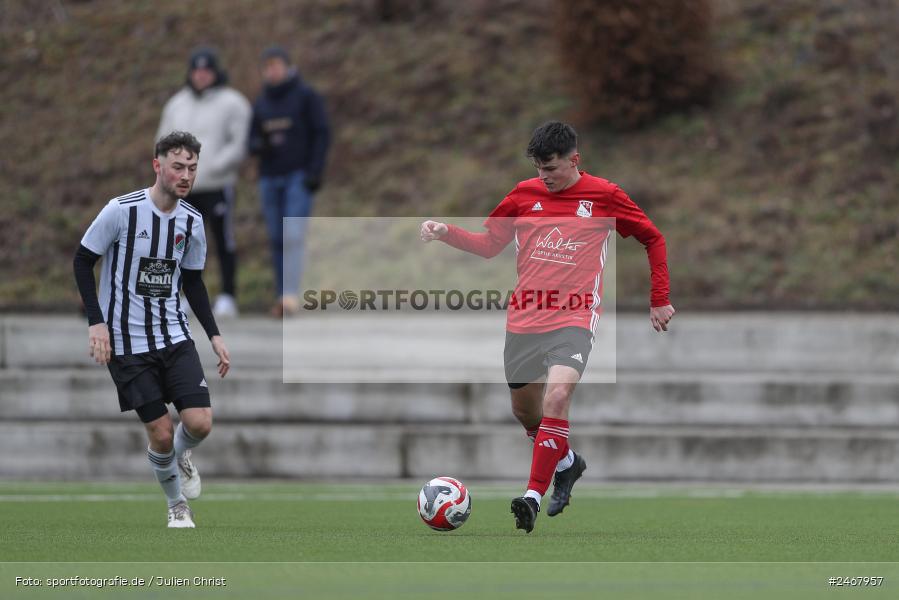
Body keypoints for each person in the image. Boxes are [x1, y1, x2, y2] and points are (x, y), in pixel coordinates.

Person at [420, 121, 675, 533]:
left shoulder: (605, 196)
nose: (544, 176)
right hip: (523, 320)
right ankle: (569, 463)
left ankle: (531, 496)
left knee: (557, 398)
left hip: (574, 318)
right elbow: (488, 245)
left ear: (574, 160)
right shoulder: (523, 195)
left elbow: (653, 238)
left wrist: (659, 298)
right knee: (529, 416)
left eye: (551, 168)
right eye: (539, 169)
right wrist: (446, 232)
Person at [73, 131, 231, 528]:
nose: (186, 175)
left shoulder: (192, 221)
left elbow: (193, 282)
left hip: (174, 335)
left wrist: (213, 334)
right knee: (160, 432)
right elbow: (81, 261)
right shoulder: (121, 211)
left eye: (192, 168)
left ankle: (181, 455)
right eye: (178, 167)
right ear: (157, 166)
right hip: (126, 342)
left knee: (199, 423)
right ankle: (177, 504)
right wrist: (97, 323)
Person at [157, 47, 251, 318]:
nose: (200, 77)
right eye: (196, 71)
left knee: (223, 240)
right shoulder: (177, 104)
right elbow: (162, 141)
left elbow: (238, 142)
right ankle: (183, 295)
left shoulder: (233, 103)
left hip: (216, 184)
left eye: (205, 71)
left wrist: (215, 165)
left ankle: (227, 295)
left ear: (215, 73)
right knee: (181, 243)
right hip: (182, 188)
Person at [249, 45, 331, 317]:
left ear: (287, 66)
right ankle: (281, 295)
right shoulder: (261, 102)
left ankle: (292, 294)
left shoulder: (306, 96)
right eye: (267, 67)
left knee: (293, 235)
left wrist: (315, 171)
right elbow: (252, 138)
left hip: (298, 175)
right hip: (270, 177)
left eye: (276, 65)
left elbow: (321, 133)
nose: (272, 71)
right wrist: (258, 145)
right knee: (275, 237)